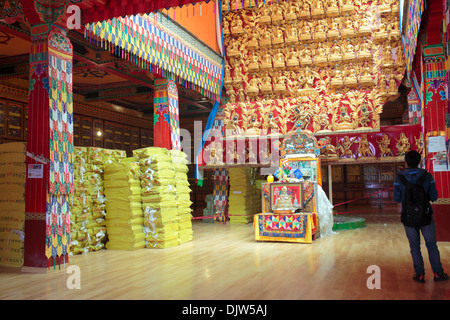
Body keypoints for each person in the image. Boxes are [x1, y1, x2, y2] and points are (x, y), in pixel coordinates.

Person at [394, 150, 448, 283]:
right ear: (419, 162)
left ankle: (419, 274)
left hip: (408, 216)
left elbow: (397, 197)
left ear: (406, 162)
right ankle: (437, 273)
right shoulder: (427, 176)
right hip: (425, 216)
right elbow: (434, 196)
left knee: (414, 246)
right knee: (431, 245)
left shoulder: (399, 177)